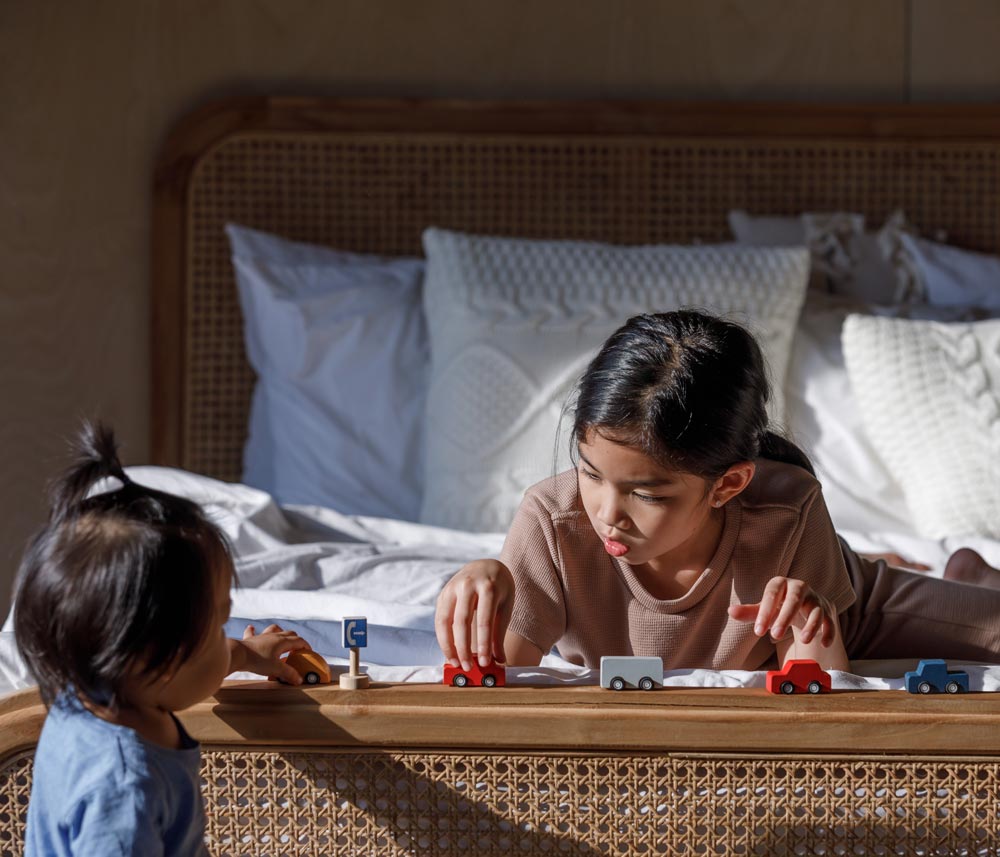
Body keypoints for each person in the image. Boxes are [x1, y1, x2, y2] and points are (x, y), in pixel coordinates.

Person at [435, 310, 1000, 675]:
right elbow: (497, 690)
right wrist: (487, 588)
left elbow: (816, 695)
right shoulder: (553, 522)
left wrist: (810, 620)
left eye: (649, 496)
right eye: (589, 473)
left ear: (728, 485)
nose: (608, 515)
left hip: (853, 614)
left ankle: (965, 571)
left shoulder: (786, 511)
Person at [14, 422, 313, 856]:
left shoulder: (94, 690)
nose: (223, 637)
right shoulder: (122, 792)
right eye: (216, 625)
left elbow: (193, 666)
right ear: (150, 654)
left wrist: (245, 654)